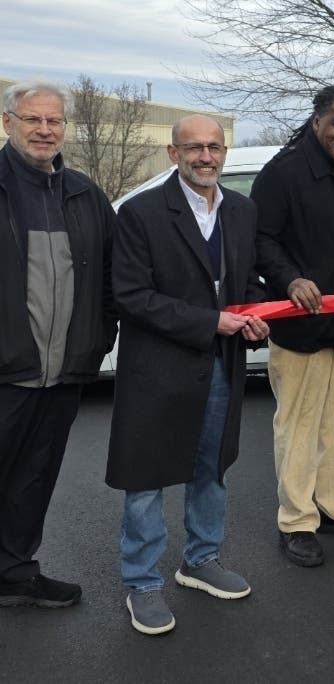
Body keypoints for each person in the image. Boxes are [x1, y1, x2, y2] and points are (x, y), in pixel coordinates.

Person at [106, 114, 269, 635]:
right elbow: (130, 297)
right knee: (148, 475)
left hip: (221, 363)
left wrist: (258, 316)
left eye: (214, 147)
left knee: (211, 467)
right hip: (158, 367)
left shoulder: (242, 211)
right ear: (173, 154)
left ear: (225, 152)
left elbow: (247, 280)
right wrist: (211, 322)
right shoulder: (140, 213)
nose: (206, 156)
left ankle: (200, 559)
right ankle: (142, 583)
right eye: (194, 147)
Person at [251, 85, 334, 568]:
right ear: (317, 122)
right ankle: (297, 520)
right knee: (300, 427)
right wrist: (289, 279)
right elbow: (260, 238)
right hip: (303, 325)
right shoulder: (282, 172)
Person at [0, 80, 117, 609]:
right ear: (8, 123)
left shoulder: (85, 195)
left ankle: (15, 572)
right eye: (32, 119)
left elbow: (119, 273)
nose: (44, 130)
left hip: (65, 371)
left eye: (54, 121)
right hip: (6, 369)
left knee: (34, 478)